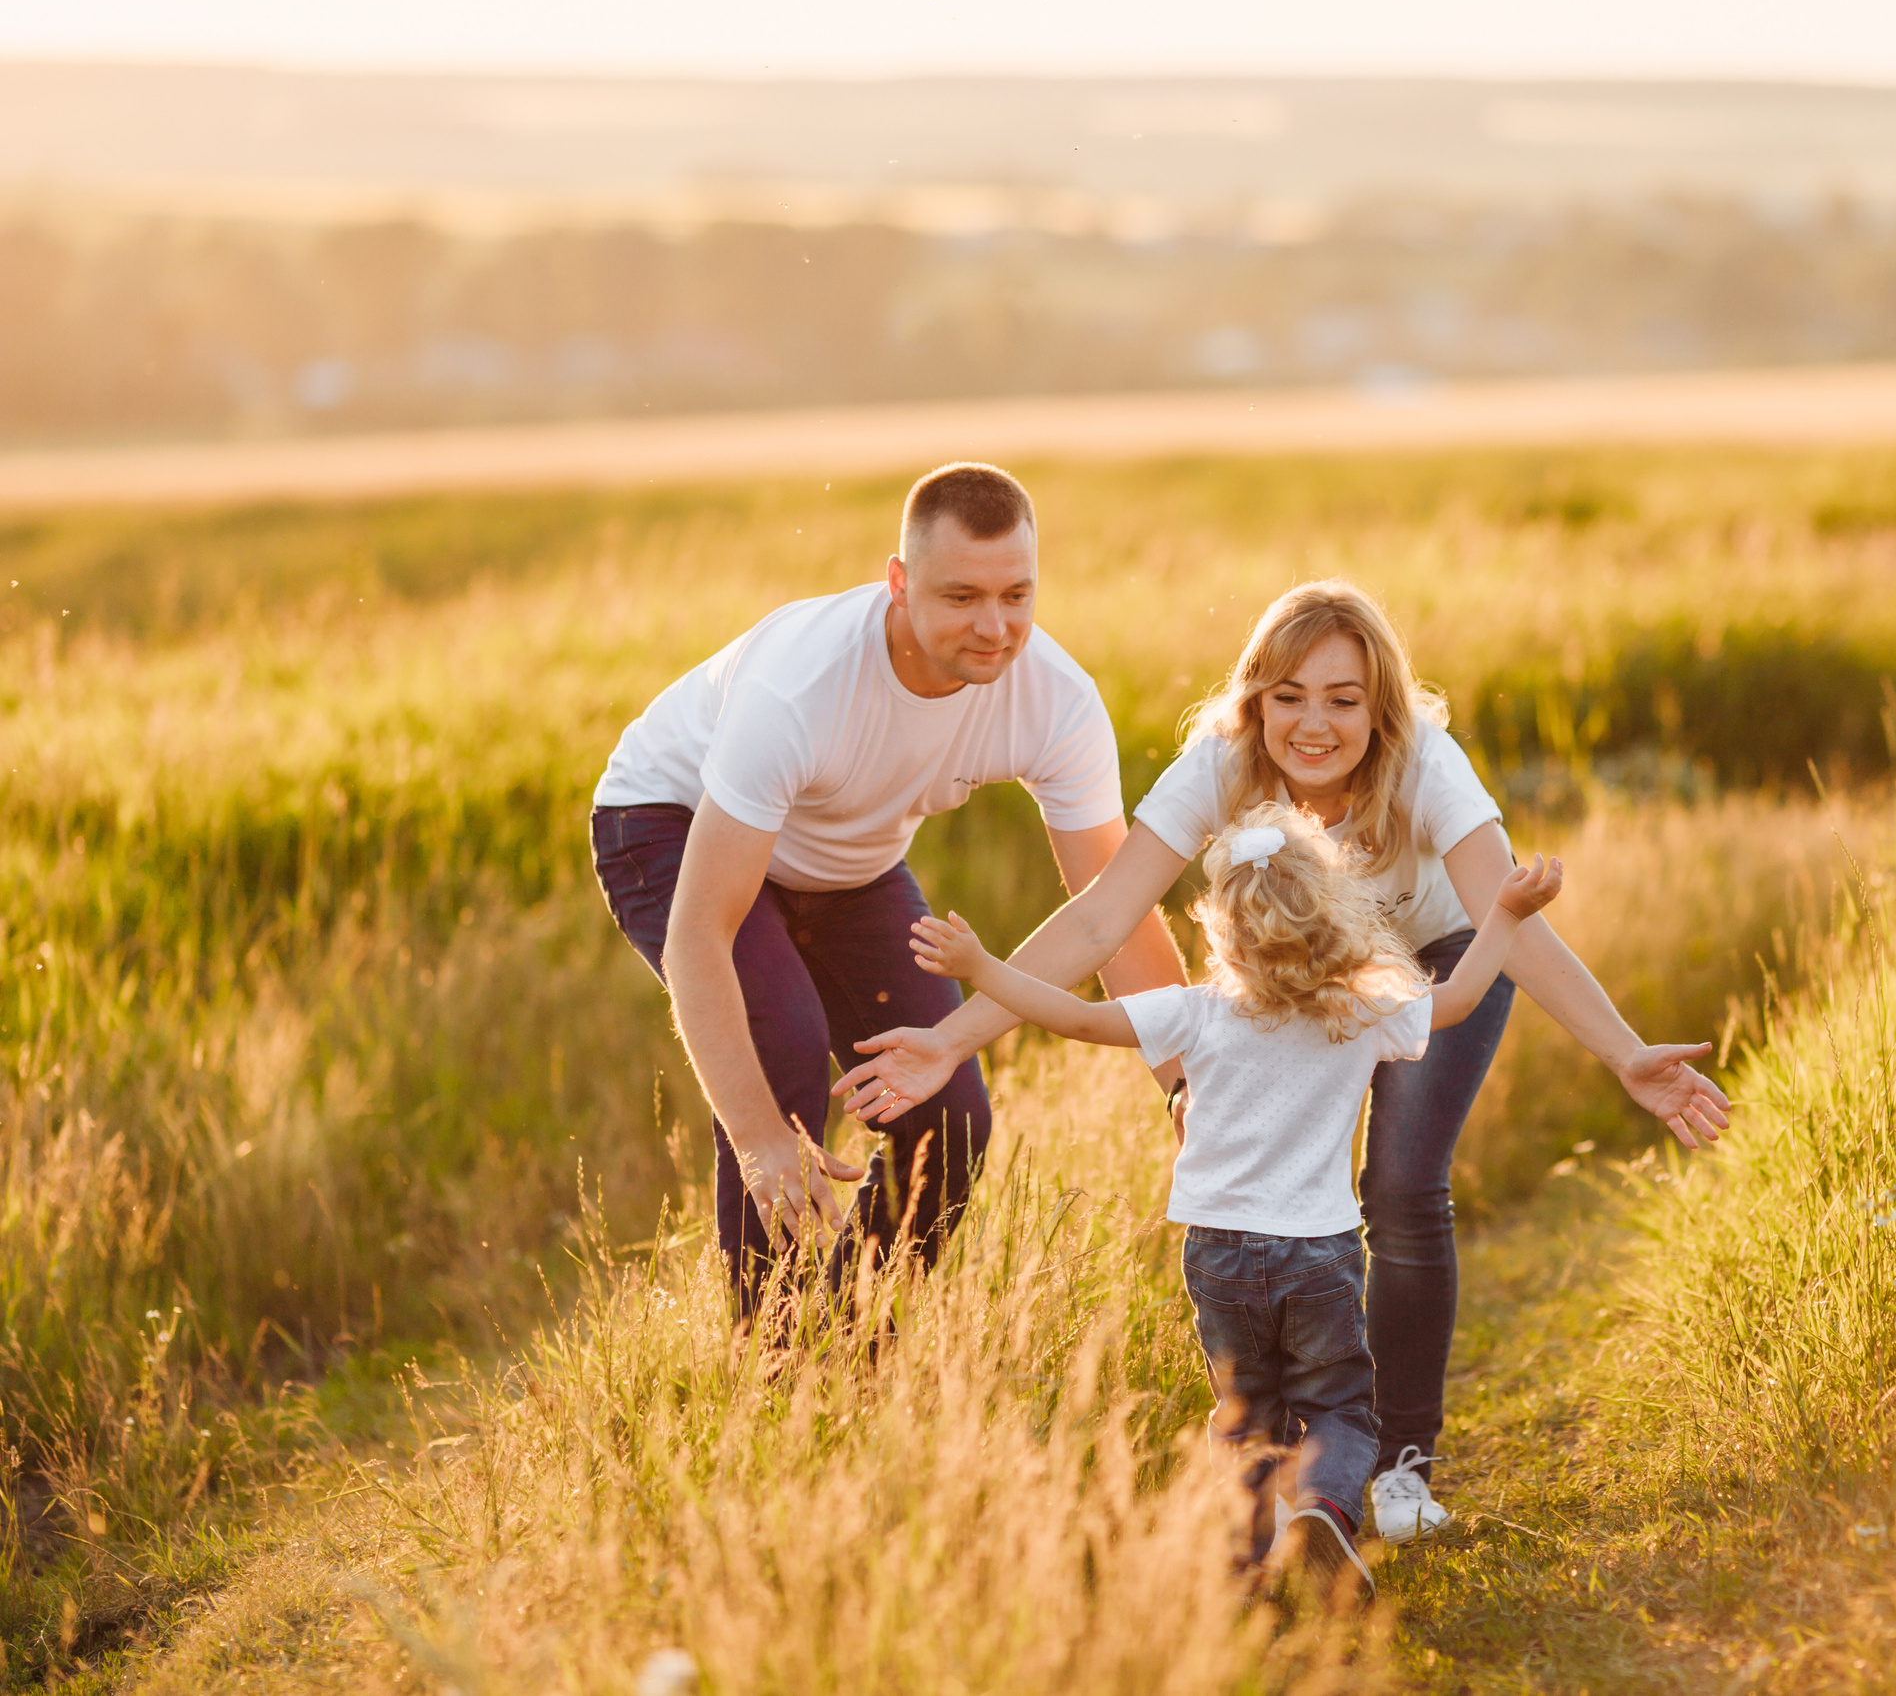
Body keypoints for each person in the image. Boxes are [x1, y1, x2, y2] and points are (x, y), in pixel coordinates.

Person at [840, 578, 1729, 1540]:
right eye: (1290, 696)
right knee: (1304, 1185)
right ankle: (1286, 1477)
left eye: (1343, 699)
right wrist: (951, 1035)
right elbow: (1103, 915)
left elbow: (1514, 924)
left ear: (1378, 706)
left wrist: (1626, 1053)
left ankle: (1400, 1468)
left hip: (1439, 962)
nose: (1314, 724)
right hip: (1294, 976)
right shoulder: (1219, 760)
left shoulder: (1429, 764)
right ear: (1255, 697)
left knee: (1400, 1182)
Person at [906, 802, 1565, 1601]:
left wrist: (983, 970)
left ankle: (1248, 1557)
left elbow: (1074, 1016)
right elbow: (1458, 998)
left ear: (1220, 924)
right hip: (1319, 1252)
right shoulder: (1357, 1008)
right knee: (1343, 1411)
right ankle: (1323, 1506)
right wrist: (1502, 910)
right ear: (1334, 914)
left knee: (1247, 1414)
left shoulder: (1195, 1011)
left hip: (1216, 1254)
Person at [588, 461, 1188, 1315]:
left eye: (1017, 595)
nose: (995, 626)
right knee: (783, 1047)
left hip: (846, 864)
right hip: (669, 821)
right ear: (898, 584)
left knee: (949, 1111)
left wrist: (1189, 1085)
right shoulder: (802, 686)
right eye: (962, 597)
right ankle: (772, 1367)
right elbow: (698, 938)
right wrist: (759, 1141)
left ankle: (853, 1348)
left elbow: (1114, 909)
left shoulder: (1055, 701)